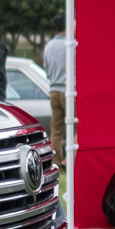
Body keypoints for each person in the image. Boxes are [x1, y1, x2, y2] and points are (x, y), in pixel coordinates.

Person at [41, 14, 71, 169]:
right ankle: (71, 159)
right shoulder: (71, 44)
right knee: (79, 127)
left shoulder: (49, 45)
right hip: (70, 92)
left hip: (54, 91)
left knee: (56, 131)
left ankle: (57, 162)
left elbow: (46, 70)